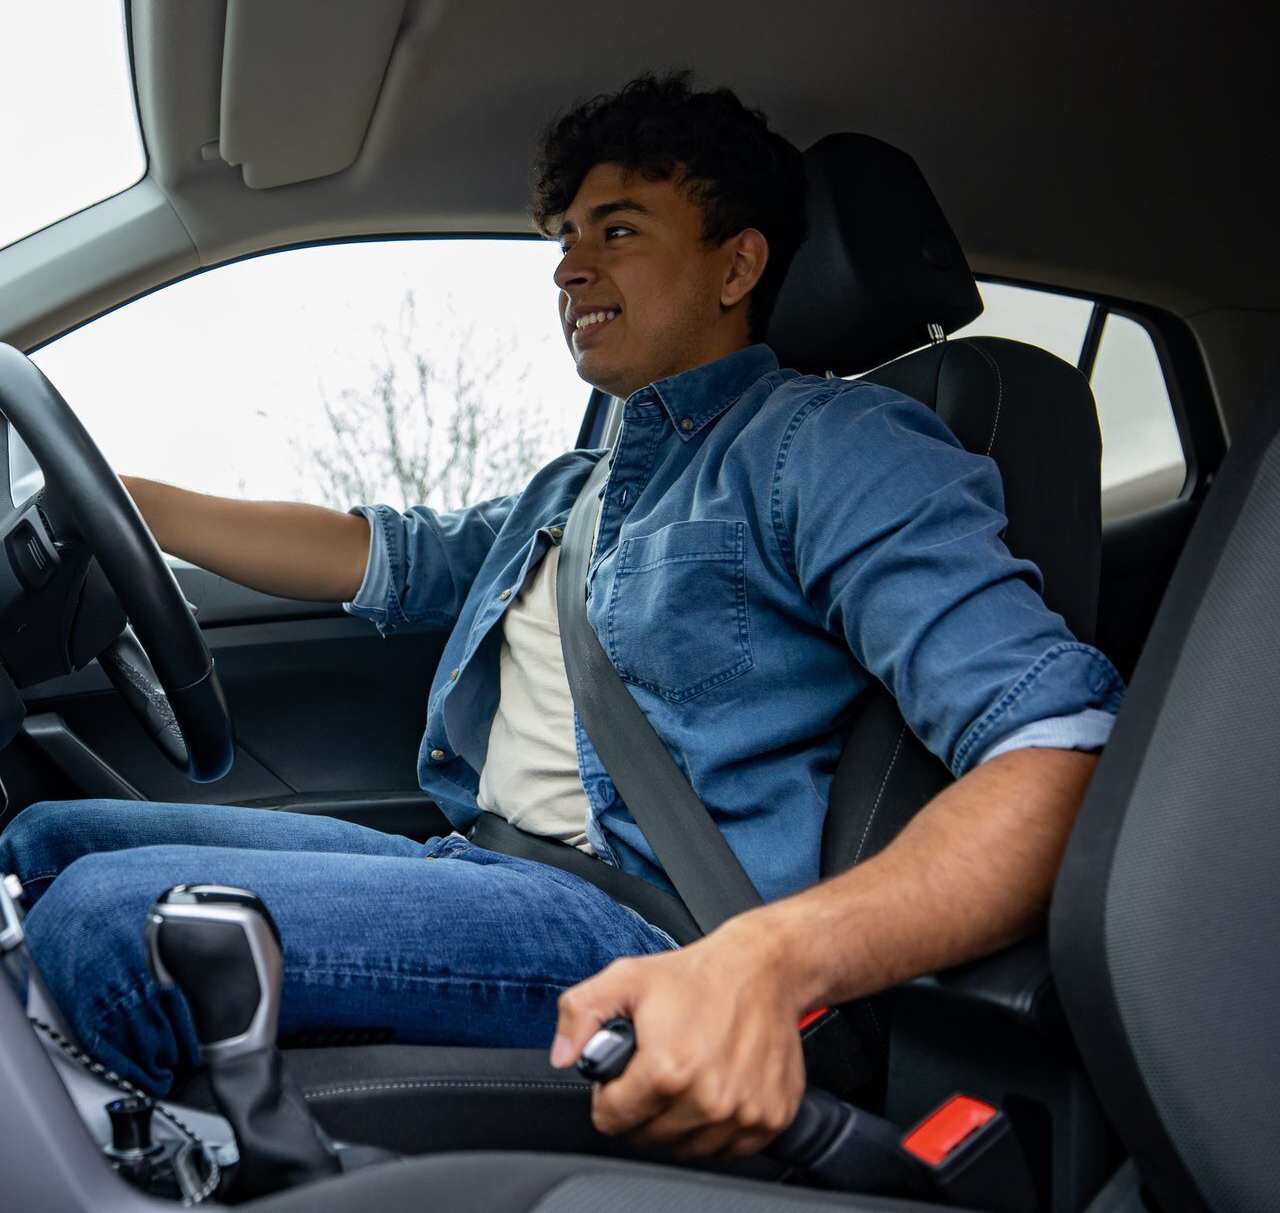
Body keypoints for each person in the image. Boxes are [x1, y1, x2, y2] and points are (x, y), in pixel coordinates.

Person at [0, 73, 1122, 1159]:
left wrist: (772, 962)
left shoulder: (827, 447)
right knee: (48, 843)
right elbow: (374, 550)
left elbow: (1058, 749)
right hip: (479, 868)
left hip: (648, 927)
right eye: (565, 239)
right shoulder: (572, 489)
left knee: (108, 922)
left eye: (618, 231)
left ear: (737, 264)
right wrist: (134, 504)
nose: (570, 268)